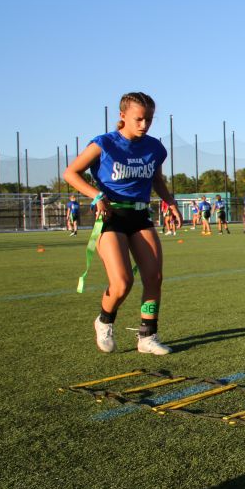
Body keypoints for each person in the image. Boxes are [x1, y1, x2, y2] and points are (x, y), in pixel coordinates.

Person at [63, 91, 179, 355]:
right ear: (122, 116)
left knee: (154, 277)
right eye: (138, 119)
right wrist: (96, 195)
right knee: (122, 283)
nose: (144, 125)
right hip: (112, 218)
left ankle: (147, 337)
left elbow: (157, 180)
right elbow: (71, 173)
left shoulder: (155, 148)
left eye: (148, 120)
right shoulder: (104, 143)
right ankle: (104, 321)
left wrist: (170, 203)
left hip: (140, 217)